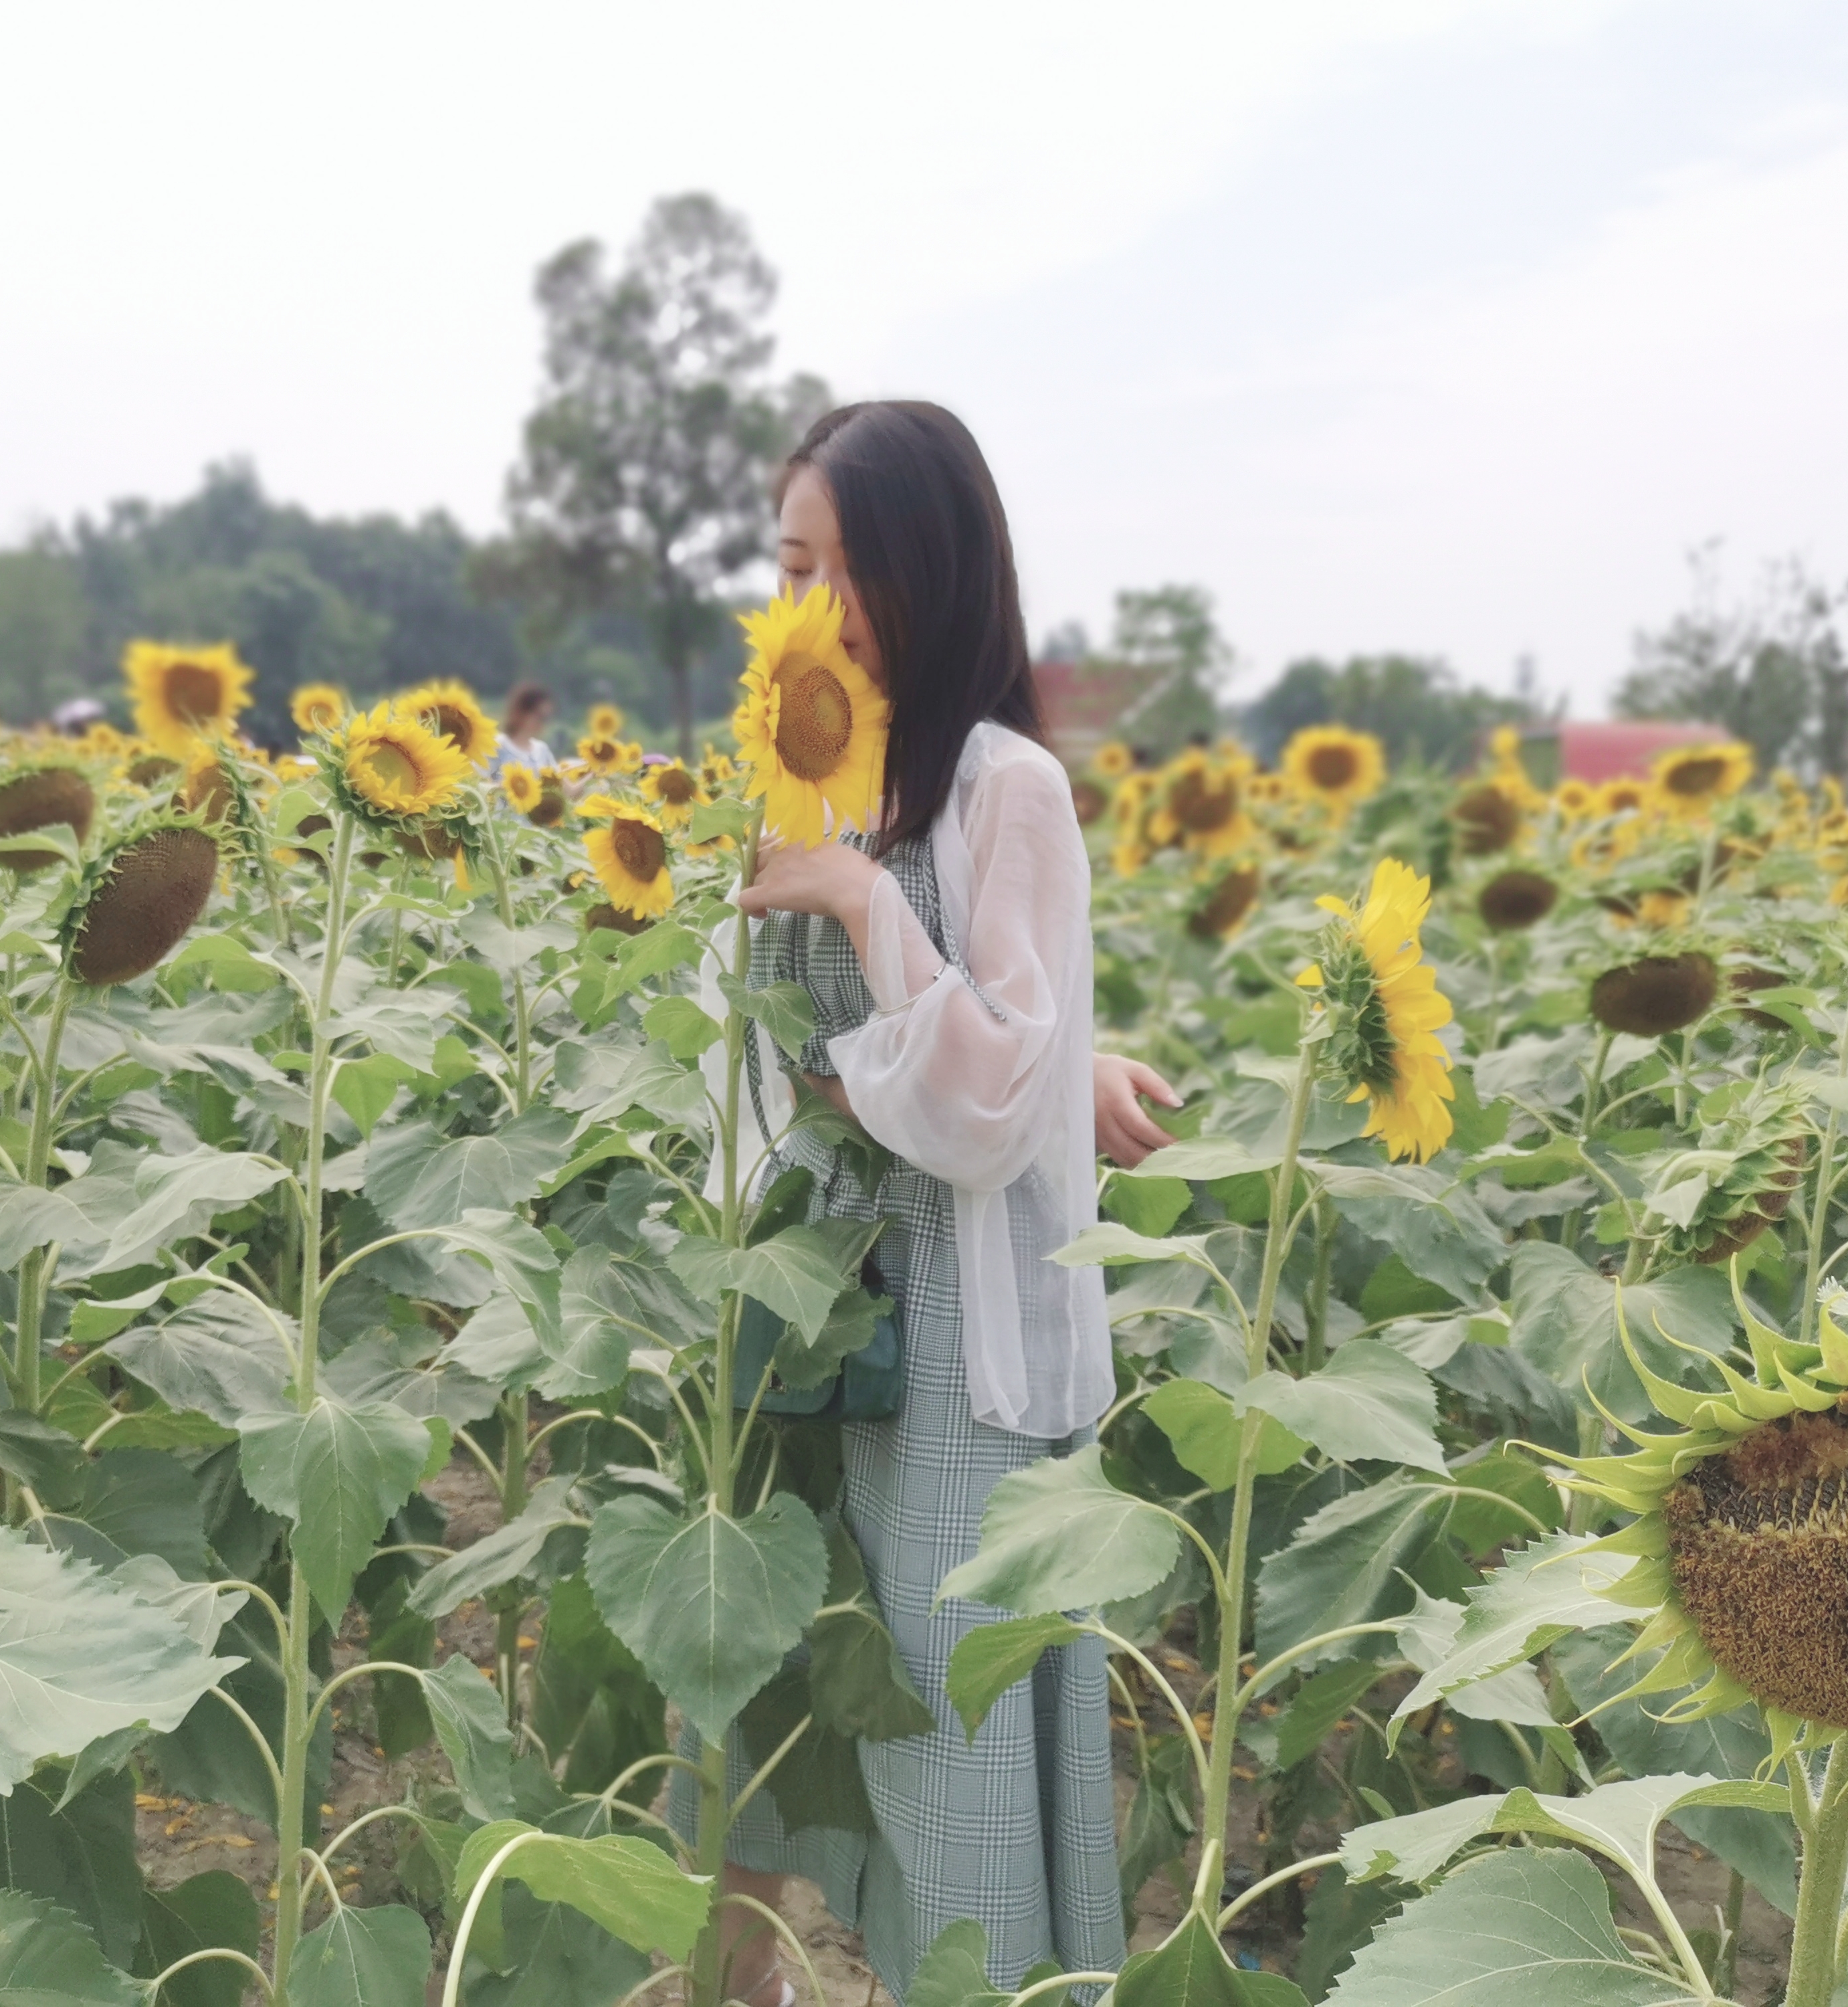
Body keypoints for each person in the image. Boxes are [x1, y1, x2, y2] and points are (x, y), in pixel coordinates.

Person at [686, 401, 1176, 2005]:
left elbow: (969, 1111)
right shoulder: (804, 768)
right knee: (760, 1707)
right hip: (799, 1303)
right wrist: (1019, 1062)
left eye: (840, 566)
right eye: (787, 565)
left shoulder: (1000, 785)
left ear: (929, 568)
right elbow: (757, 1048)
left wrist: (857, 916)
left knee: (950, 1741)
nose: (806, 609)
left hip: (953, 1333)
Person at [493, 682, 558, 774]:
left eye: (546, 718)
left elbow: (563, 786)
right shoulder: (498, 746)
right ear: (522, 712)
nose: (543, 723)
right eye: (540, 716)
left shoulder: (542, 750)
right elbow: (478, 783)